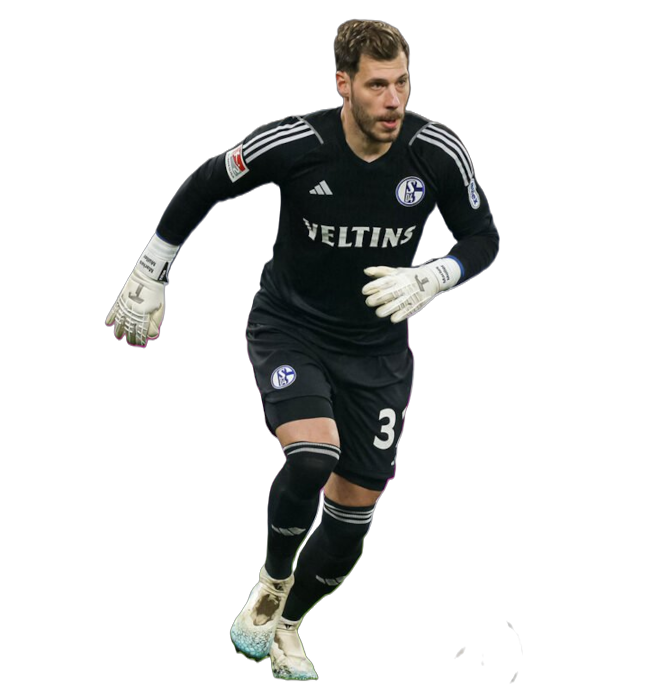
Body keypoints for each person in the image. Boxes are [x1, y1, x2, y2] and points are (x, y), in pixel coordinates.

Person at [106, 19, 499, 681]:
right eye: (377, 86)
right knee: (314, 455)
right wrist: (152, 269)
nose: (394, 101)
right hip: (292, 327)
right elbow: (208, 180)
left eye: (403, 82)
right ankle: (271, 580)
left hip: (378, 354)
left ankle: (288, 624)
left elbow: (483, 235)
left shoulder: (437, 150)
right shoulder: (297, 142)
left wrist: (438, 274)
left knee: (350, 525)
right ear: (343, 84)